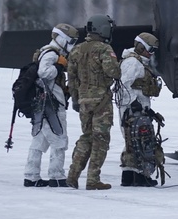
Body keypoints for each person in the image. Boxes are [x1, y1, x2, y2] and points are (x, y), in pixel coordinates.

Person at [66, 14, 121, 191]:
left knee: (86, 137)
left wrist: (75, 99)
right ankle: (93, 179)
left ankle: (73, 175)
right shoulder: (104, 49)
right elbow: (113, 72)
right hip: (101, 102)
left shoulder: (76, 50)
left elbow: (72, 78)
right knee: (101, 139)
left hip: (83, 101)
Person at [25, 23, 79, 187]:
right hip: (51, 105)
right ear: (62, 39)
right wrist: (59, 65)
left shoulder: (47, 51)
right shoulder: (52, 54)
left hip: (45, 103)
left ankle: (31, 176)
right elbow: (44, 73)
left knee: (40, 140)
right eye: (71, 41)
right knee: (59, 139)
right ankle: (57, 176)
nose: (72, 45)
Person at [116, 32, 166, 187]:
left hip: (136, 108)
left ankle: (129, 176)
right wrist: (133, 105)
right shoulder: (133, 63)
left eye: (153, 51)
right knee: (141, 141)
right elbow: (124, 85)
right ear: (140, 46)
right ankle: (141, 176)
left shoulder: (137, 62)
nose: (151, 54)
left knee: (132, 142)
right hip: (132, 109)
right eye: (149, 49)